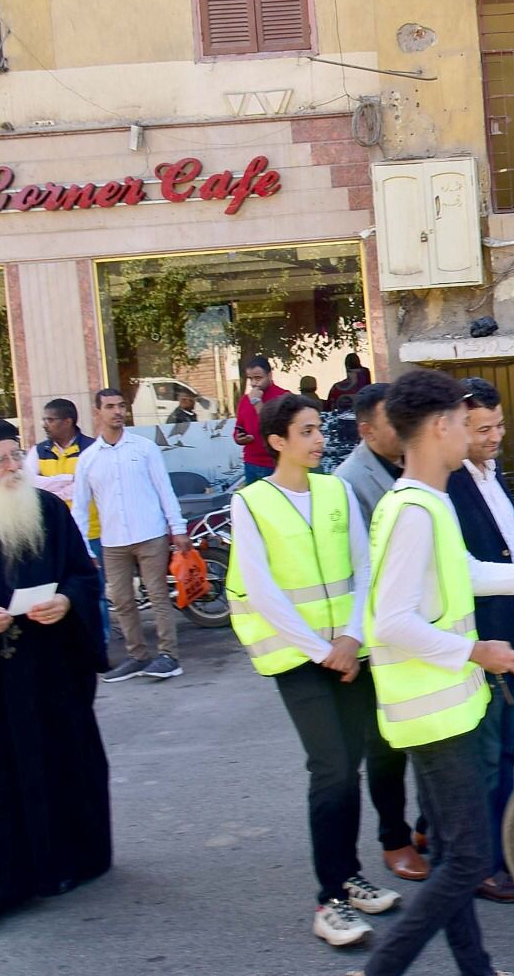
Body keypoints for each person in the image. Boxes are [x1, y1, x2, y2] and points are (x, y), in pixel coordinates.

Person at [357, 368, 514, 976]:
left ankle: (478, 969)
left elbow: (465, 573)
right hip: (434, 713)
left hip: (442, 706)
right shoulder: (415, 509)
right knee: (466, 862)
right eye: (467, 424)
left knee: (450, 855)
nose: (474, 434)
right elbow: (389, 622)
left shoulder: (425, 501)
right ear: (442, 426)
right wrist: (476, 652)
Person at [225, 394, 403, 946]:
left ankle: (348, 876)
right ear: (277, 441)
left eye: (319, 429)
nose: (319, 439)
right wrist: (321, 649)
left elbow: (364, 566)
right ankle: (328, 903)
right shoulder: (251, 503)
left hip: (349, 649)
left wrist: (351, 636)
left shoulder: (336, 491)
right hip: (297, 658)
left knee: (348, 764)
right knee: (329, 767)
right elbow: (262, 589)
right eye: (306, 431)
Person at [0, 418, 111, 924]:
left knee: (56, 765)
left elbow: (81, 574)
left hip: (46, 673)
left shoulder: (50, 511)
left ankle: (60, 866)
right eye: (0, 461)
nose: (13, 468)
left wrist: (65, 601)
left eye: (17, 456)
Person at [443, 378, 514, 903]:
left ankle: (506, 852)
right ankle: (481, 864)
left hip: (512, 632)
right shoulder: (450, 486)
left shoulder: (492, 474)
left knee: (504, 752)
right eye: (484, 428)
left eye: (500, 425)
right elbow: (472, 572)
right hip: (482, 641)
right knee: (485, 757)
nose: (495, 436)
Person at [333, 382, 428, 882]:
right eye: (395, 421)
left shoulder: (407, 464)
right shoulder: (351, 480)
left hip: (419, 624)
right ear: (368, 430)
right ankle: (394, 840)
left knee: (428, 734)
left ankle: (426, 827)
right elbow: (365, 567)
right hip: (378, 635)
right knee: (385, 747)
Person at [73, 389, 190, 682]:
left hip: (150, 533)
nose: (117, 411)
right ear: (97, 412)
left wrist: (178, 529)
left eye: (121, 405)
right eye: (110, 406)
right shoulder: (88, 459)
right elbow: (80, 508)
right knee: (123, 601)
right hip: (113, 541)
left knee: (158, 595)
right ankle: (137, 656)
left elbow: (165, 489)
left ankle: (169, 656)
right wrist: (84, 549)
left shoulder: (144, 448)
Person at [24, 397, 109, 635]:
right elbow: (28, 482)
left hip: (91, 532)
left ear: (68, 421)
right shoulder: (38, 451)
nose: (45, 424)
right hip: (53, 535)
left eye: (50, 420)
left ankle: (100, 643)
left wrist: (50, 485)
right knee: (59, 593)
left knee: (95, 591)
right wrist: (69, 481)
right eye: (44, 419)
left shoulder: (92, 449)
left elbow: (95, 486)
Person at [233, 356, 290, 485]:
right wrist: (238, 438)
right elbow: (238, 427)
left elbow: (274, 426)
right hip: (251, 462)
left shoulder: (284, 397)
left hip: (275, 464)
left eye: (258, 378)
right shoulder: (245, 400)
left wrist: (257, 402)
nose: (253, 383)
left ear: (270, 375)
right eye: (250, 379)